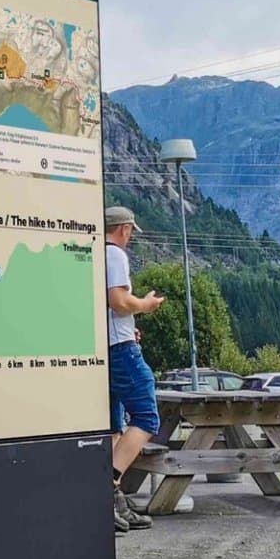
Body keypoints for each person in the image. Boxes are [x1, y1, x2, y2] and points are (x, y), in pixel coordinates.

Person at [104, 206, 164, 533]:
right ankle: (105, 486)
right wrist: (145, 305)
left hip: (105, 347)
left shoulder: (93, 255)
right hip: (121, 350)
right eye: (130, 232)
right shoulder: (114, 255)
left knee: (115, 424)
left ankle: (114, 502)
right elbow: (119, 300)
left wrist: (127, 322)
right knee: (146, 415)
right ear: (124, 229)